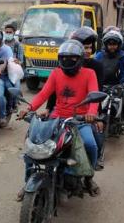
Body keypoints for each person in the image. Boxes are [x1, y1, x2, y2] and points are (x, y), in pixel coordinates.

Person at [18, 39, 101, 197]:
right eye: (64, 57)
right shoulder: (56, 73)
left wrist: (91, 113)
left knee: (91, 145)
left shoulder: (89, 74)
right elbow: (43, 94)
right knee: (33, 144)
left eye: (72, 58)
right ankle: (29, 180)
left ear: (80, 59)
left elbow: (93, 96)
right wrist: (28, 108)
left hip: (79, 120)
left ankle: (89, 177)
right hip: (57, 118)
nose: (67, 61)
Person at [45, 27, 105, 170]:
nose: (87, 51)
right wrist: (47, 109)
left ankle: (90, 172)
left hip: (85, 113)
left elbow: (96, 93)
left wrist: (94, 114)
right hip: (60, 114)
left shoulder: (94, 68)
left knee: (93, 141)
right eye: (84, 47)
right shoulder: (62, 65)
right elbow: (52, 91)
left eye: (89, 47)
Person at [94, 30, 124, 134]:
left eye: (114, 44)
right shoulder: (99, 55)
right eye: (110, 44)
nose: (112, 47)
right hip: (102, 86)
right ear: (106, 44)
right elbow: (92, 67)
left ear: (119, 44)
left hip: (119, 86)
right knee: (92, 103)